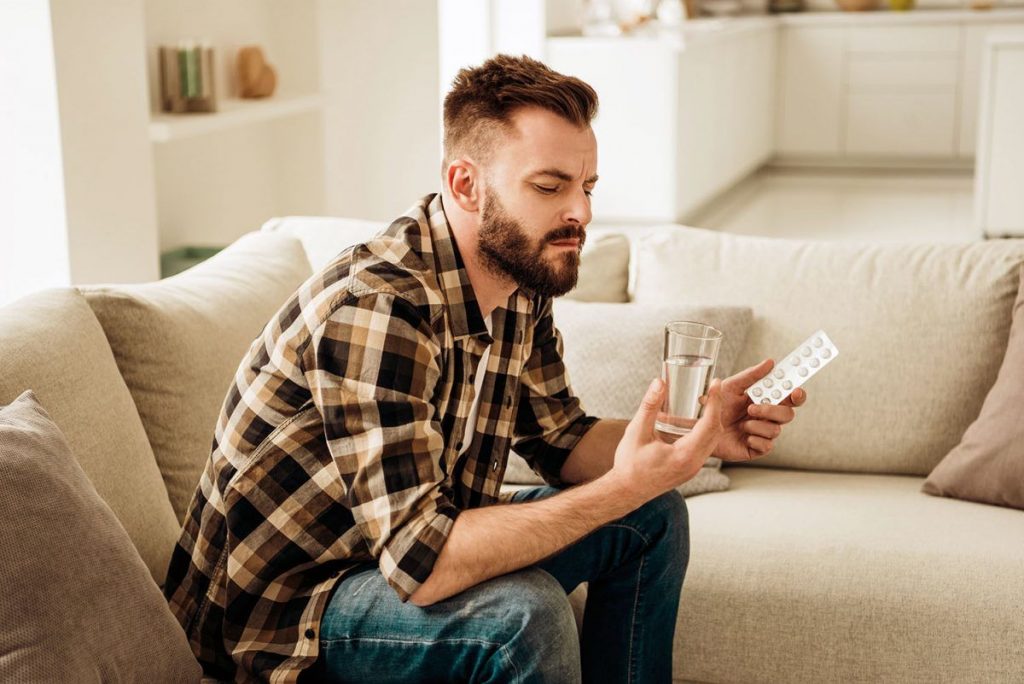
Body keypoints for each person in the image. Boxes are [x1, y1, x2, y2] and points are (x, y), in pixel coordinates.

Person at [163, 54, 806, 683]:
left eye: (586, 187)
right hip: (288, 610)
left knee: (652, 516)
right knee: (524, 617)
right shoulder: (379, 306)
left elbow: (561, 440)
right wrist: (621, 486)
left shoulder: (520, 284)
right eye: (549, 187)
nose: (580, 213)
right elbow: (423, 562)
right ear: (465, 184)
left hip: (399, 550)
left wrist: (690, 433)